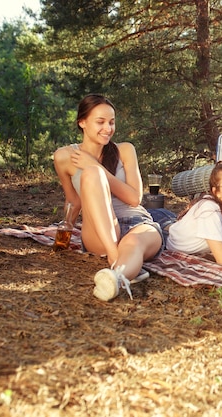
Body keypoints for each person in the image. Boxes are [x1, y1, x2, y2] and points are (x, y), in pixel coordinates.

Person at [53, 94, 164, 302]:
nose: (108, 128)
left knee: (132, 241)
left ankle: (116, 278)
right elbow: (73, 201)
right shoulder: (64, 156)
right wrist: (65, 231)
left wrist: (96, 166)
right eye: (100, 122)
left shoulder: (125, 150)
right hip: (100, 233)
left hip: (137, 223)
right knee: (91, 175)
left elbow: (134, 198)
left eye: (111, 122)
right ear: (82, 122)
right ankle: (116, 258)